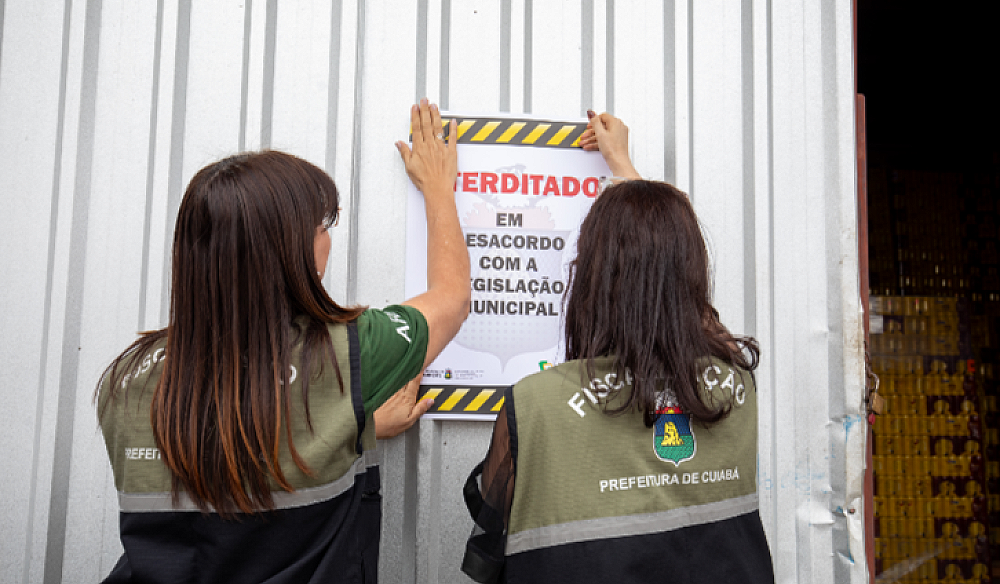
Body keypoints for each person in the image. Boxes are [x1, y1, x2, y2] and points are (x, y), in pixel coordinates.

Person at [95, 99, 468, 583]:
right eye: (322, 227)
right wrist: (439, 189)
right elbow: (452, 297)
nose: (327, 240)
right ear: (288, 253)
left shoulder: (126, 379)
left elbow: (219, 448)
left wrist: (354, 425)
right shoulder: (348, 354)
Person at [461, 113, 774, 583]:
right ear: (692, 275)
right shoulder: (735, 388)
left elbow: (492, 517)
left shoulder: (533, 405)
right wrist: (625, 168)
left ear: (590, 278)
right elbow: (693, 310)